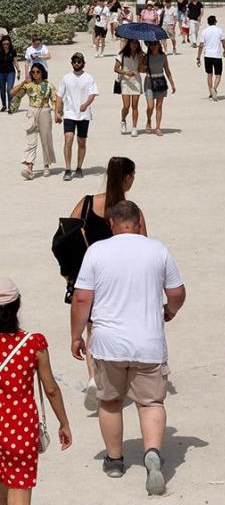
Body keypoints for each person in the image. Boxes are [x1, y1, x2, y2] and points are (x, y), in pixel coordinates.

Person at [71, 200, 185, 496]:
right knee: (151, 403)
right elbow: (177, 292)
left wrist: (76, 336)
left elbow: (82, 299)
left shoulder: (97, 251)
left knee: (109, 401)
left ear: (111, 223)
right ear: (138, 222)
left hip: (109, 344)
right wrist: (169, 310)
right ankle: (152, 454)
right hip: (148, 342)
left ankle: (114, 460)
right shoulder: (157, 249)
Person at [69, 157, 147, 409]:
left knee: (93, 328)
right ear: (127, 178)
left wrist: (70, 272)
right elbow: (143, 245)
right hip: (122, 280)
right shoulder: (131, 211)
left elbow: (66, 235)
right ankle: (121, 375)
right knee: (120, 325)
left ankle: (94, 377)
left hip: (91, 276)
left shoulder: (88, 203)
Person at [0, 278, 72, 502]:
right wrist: (64, 423)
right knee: (18, 485)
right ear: (17, 305)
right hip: (19, 428)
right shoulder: (33, 344)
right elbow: (50, 389)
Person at [55, 53, 99, 181]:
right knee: (68, 139)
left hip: (84, 115)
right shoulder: (66, 78)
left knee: (81, 141)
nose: (77, 64)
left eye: (79, 62)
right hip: (69, 113)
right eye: (74, 61)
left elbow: (93, 94)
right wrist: (57, 111)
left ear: (83, 63)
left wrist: (85, 104)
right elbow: (59, 95)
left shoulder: (89, 78)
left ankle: (79, 167)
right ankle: (68, 169)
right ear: (72, 63)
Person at [10, 63, 56, 180]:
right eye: (33, 72)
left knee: (46, 139)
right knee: (31, 141)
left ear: (42, 72)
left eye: (38, 72)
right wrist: (22, 83)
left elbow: (55, 101)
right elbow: (12, 93)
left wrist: (58, 113)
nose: (35, 74)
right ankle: (29, 168)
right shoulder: (28, 85)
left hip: (45, 111)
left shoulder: (49, 85)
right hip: (31, 112)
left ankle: (46, 165)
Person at [141, 42, 175, 136]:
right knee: (150, 106)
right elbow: (140, 69)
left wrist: (172, 83)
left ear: (159, 45)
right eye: (151, 45)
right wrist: (144, 67)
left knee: (159, 106)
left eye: (155, 44)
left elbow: (167, 70)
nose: (153, 46)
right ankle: (148, 120)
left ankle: (158, 127)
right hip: (149, 81)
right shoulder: (146, 56)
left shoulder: (163, 56)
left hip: (160, 81)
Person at [114, 39, 144, 137]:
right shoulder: (121, 54)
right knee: (126, 106)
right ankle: (123, 121)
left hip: (136, 81)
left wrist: (142, 60)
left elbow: (141, 68)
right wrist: (126, 72)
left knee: (135, 106)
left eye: (136, 43)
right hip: (125, 81)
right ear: (129, 43)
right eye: (133, 42)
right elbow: (116, 68)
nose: (134, 44)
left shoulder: (141, 55)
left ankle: (134, 127)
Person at [196, 15, 225, 101]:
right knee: (218, 75)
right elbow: (223, 43)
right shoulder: (219, 30)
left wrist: (198, 57)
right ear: (215, 22)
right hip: (217, 55)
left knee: (209, 75)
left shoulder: (204, 31)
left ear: (208, 22)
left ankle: (210, 93)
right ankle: (214, 88)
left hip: (207, 55)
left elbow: (201, 45)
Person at [0, 34, 20, 112]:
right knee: (2, 90)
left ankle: (10, 106)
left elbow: (15, 62)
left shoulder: (12, 51)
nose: (6, 45)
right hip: (1, 73)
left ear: (10, 44)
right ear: (1, 43)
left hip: (10, 72)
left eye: (7, 44)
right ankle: (4, 105)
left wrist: (18, 71)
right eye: (4, 44)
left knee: (9, 89)